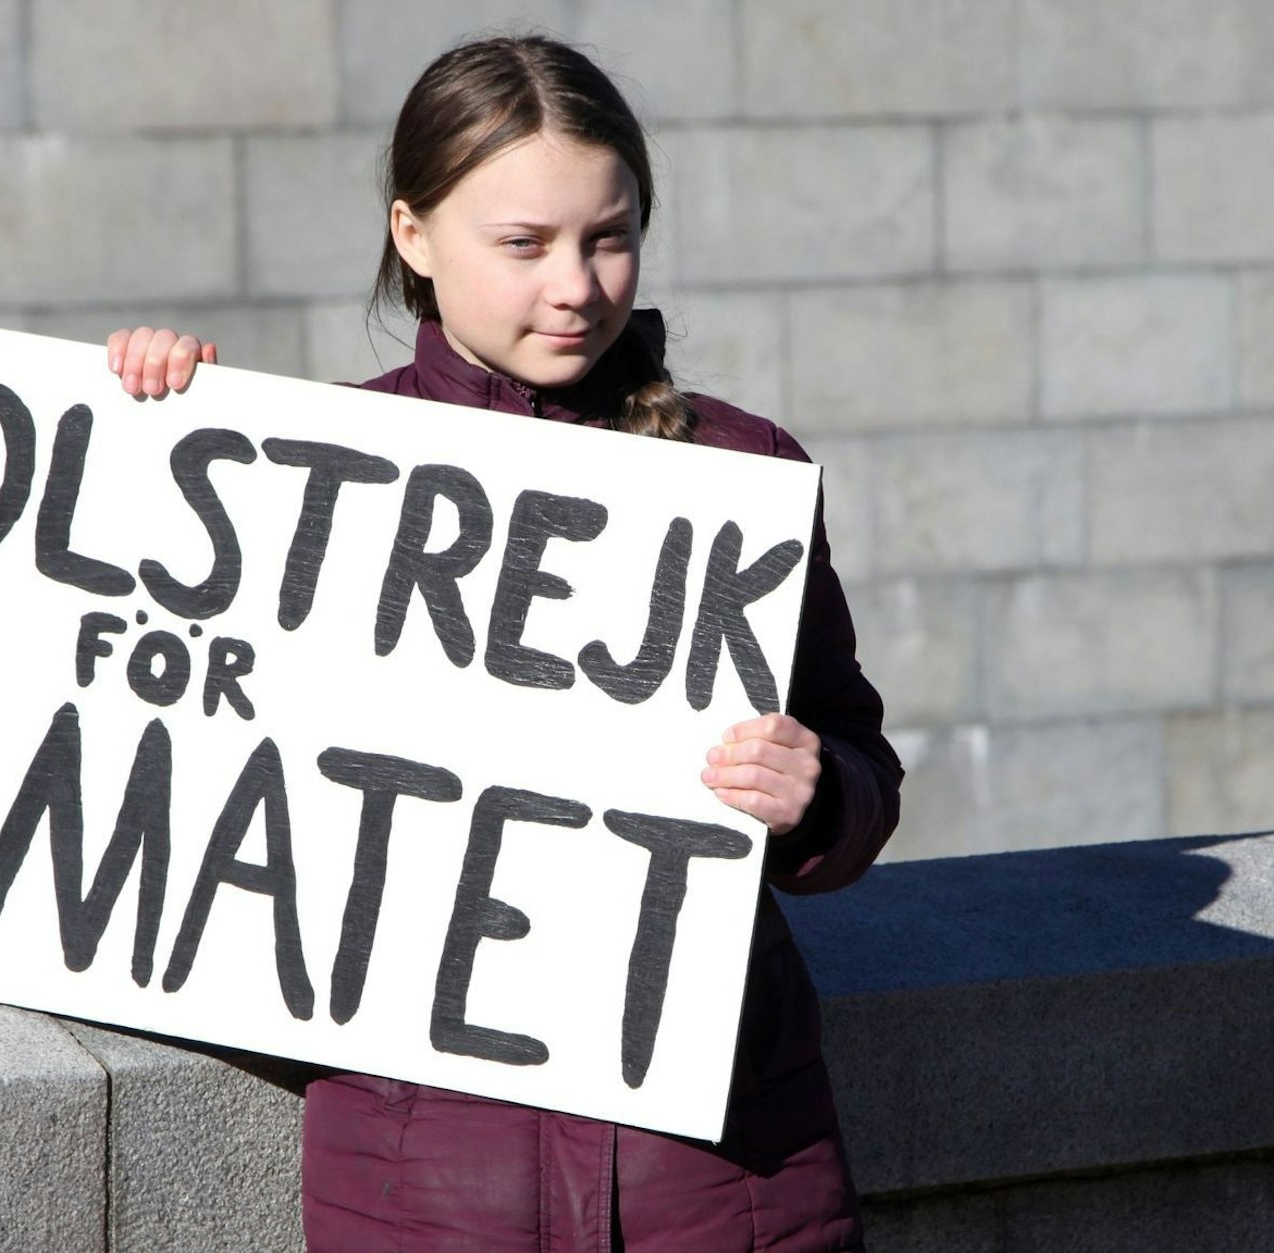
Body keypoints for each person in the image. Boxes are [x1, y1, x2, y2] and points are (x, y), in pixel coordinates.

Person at [105, 34, 901, 1253]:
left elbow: (857, 760)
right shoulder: (316, 466)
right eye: (522, 245)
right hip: (422, 1186)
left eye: (608, 234)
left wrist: (814, 794)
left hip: (730, 1174)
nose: (575, 283)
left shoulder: (741, 471)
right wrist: (141, 426)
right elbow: (142, 724)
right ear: (413, 237)